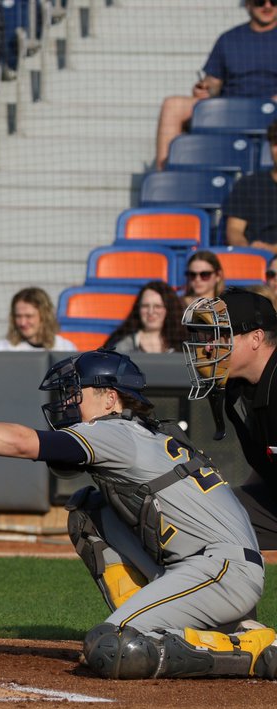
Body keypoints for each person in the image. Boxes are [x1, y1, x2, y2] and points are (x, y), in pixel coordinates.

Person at [0, 349, 276, 680]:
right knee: (89, 508)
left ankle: (249, 651)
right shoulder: (146, 433)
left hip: (219, 572)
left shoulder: (114, 433)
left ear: (110, 398)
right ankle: (202, 624)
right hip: (205, 568)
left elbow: (22, 443)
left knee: (113, 646)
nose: (68, 402)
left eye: (77, 393)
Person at [184, 288, 277, 550]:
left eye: (222, 335)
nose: (209, 346)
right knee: (203, 519)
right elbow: (265, 463)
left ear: (256, 338)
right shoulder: (237, 389)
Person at [155, 0, 277, 170]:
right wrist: (204, 88)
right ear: (248, 4)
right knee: (173, 105)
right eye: (259, 1)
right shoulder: (229, 39)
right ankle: (165, 179)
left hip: (271, 108)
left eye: (274, 1)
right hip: (230, 108)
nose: (268, 6)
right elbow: (213, 82)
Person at [224, 121, 277, 256]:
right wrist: (247, 250)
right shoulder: (248, 184)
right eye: (276, 144)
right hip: (253, 259)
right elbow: (234, 229)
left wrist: (272, 249)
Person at [103, 281, 185, 354]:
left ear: (169, 310)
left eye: (158, 306)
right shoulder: (122, 345)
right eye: (145, 306)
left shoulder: (183, 345)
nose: (151, 312)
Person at [0, 286, 76, 351]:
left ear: (44, 316)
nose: (22, 323)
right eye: (18, 316)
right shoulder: (3, 348)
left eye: (29, 316)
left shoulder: (64, 348)